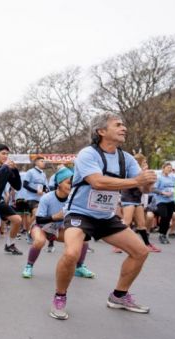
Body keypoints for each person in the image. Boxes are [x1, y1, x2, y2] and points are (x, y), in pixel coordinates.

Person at [50, 112, 156, 320]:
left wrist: (148, 180)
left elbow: (143, 190)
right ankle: (59, 297)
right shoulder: (87, 154)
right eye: (117, 124)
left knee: (141, 251)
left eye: (123, 124)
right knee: (72, 253)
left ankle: (119, 296)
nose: (123, 128)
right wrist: (137, 181)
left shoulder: (126, 159)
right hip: (80, 213)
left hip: (106, 217)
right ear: (101, 131)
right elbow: (98, 182)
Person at [21, 167, 94, 279]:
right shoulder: (47, 198)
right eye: (69, 183)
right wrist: (55, 217)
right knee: (40, 241)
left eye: (73, 183)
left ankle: (79, 267)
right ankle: (28, 266)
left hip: (58, 230)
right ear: (59, 183)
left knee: (83, 238)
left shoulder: (75, 199)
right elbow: (39, 219)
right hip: (42, 227)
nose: (71, 186)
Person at [114, 153, 161, 253]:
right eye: (144, 162)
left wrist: (149, 182)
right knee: (126, 222)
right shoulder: (131, 171)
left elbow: (146, 190)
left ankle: (147, 244)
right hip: (128, 198)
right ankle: (117, 245)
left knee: (141, 224)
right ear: (139, 163)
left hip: (137, 199)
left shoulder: (141, 173)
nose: (146, 163)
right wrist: (145, 179)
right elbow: (138, 186)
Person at [21, 156, 49, 243]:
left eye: (44, 161)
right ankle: (29, 233)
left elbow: (45, 187)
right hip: (31, 198)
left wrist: (46, 190)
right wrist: (35, 191)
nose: (44, 162)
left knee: (38, 216)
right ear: (36, 162)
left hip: (41, 199)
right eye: (41, 161)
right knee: (36, 213)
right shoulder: (30, 172)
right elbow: (25, 185)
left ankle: (30, 232)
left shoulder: (43, 174)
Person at [153, 162, 175, 244]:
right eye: (167, 167)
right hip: (161, 200)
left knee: (168, 218)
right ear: (163, 168)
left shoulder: (173, 177)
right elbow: (154, 189)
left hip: (170, 200)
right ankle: (161, 234)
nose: (169, 169)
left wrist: (174, 193)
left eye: (170, 168)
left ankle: (164, 234)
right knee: (164, 216)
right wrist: (163, 193)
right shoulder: (159, 178)